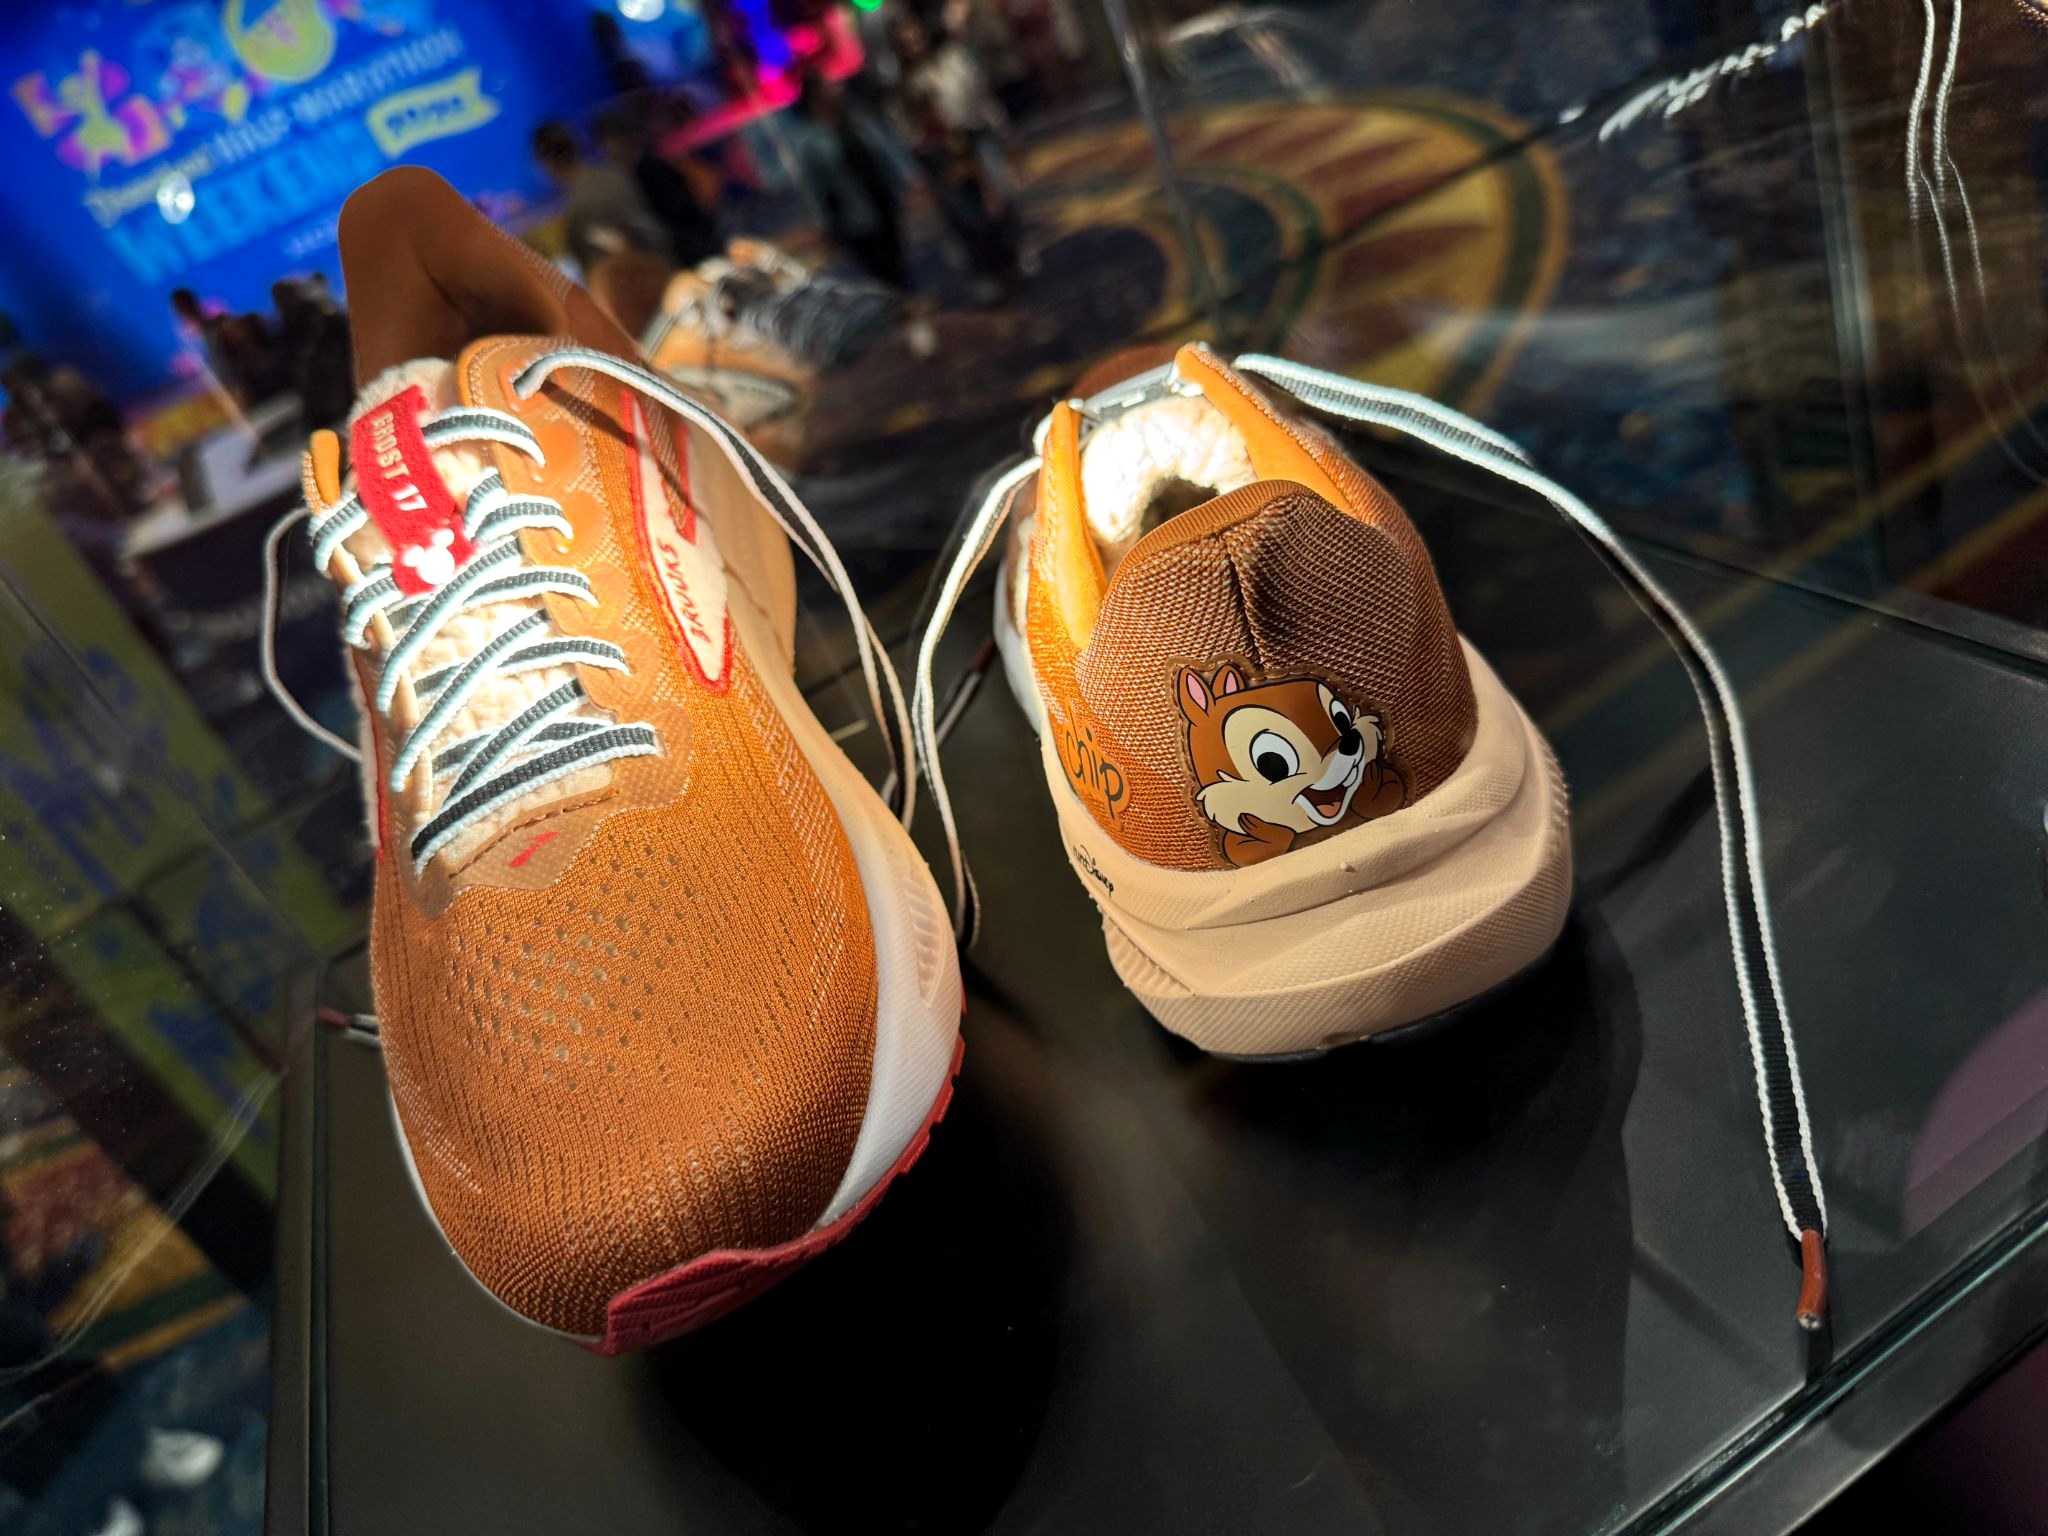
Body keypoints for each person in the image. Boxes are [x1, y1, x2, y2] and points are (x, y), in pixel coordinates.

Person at [784, 70, 908, 290]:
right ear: (816, 98)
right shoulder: (810, 141)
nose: (838, 89)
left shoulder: (855, 121)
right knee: (882, 271)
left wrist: (903, 180)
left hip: (882, 203)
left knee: (898, 263)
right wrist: (824, 224)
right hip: (853, 218)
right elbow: (815, 187)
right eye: (829, 86)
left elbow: (883, 152)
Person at [531, 120, 673, 279]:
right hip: (666, 265)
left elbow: (619, 253)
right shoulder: (611, 174)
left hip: (646, 281)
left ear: (547, 162)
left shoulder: (581, 207)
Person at [594, 104, 719, 268]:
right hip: (685, 248)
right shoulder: (636, 172)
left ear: (620, 139)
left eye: (608, 143)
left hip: (695, 247)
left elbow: (680, 209)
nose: (608, 152)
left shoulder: (650, 167)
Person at [170, 287, 289, 403]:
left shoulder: (222, 324)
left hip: (256, 387)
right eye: (181, 308)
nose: (184, 311)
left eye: (183, 306)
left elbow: (249, 355)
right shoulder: (195, 341)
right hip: (240, 394)